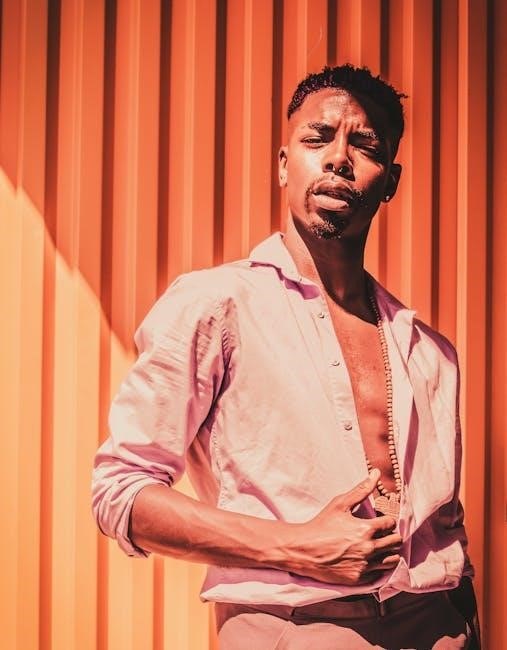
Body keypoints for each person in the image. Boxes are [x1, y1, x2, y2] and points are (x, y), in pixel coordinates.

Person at [92, 64, 480, 648]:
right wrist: (298, 546)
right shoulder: (216, 306)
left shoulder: (430, 351)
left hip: (439, 624)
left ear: (391, 181)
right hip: (292, 627)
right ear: (283, 164)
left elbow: (446, 527)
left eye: (365, 146)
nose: (338, 158)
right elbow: (120, 492)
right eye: (317, 139)